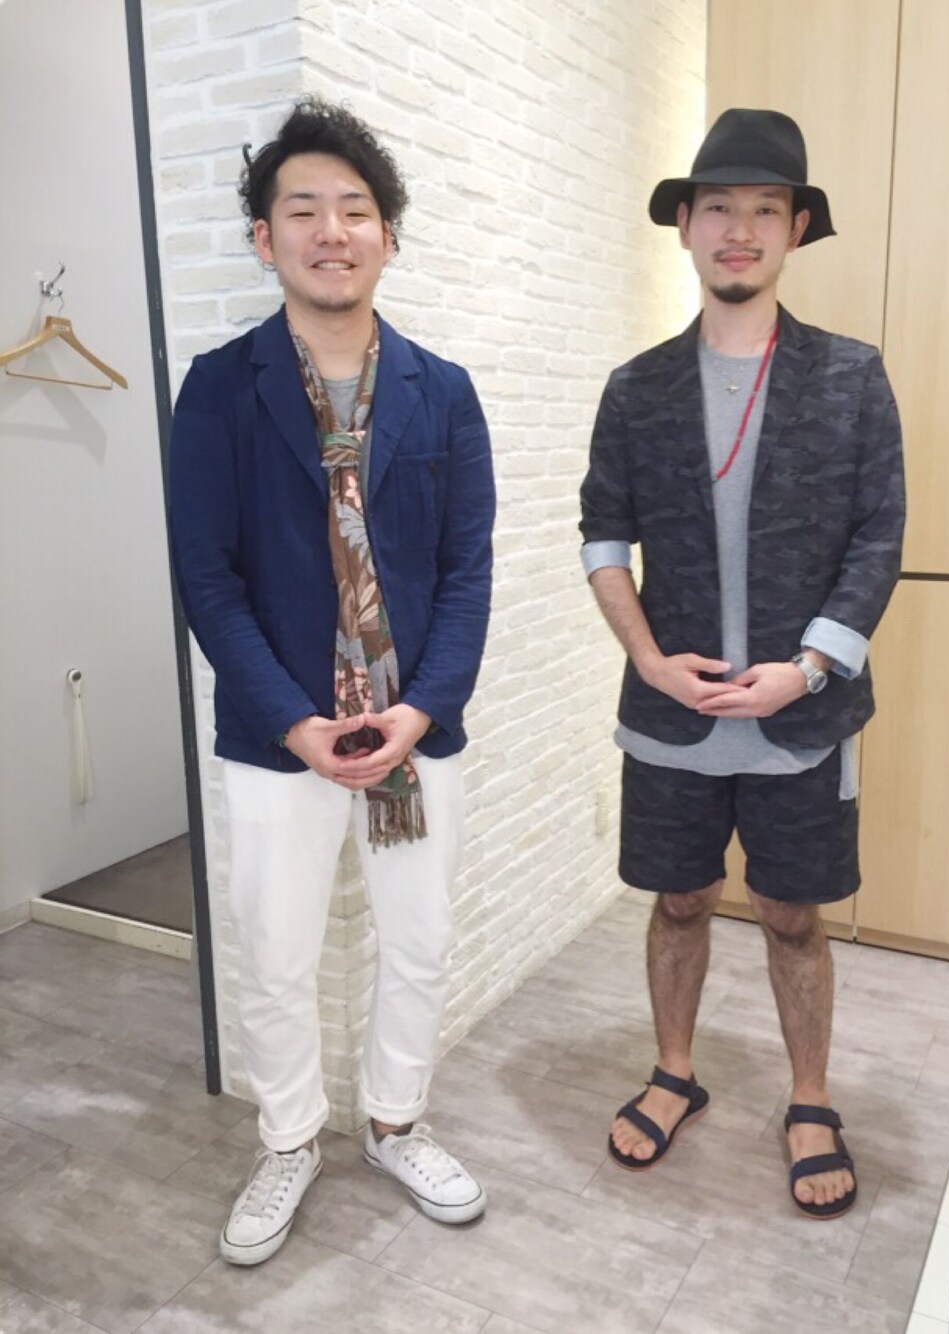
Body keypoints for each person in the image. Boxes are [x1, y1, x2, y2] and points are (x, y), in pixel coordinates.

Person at [169, 97, 495, 1264]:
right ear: (265, 238)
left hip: (414, 729)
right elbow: (209, 578)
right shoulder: (220, 388)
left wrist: (420, 707)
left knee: (418, 940)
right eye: (301, 209)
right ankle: (289, 1136)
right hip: (279, 735)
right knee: (276, 951)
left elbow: (466, 571)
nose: (330, 230)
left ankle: (395, 1120)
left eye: (354, 209)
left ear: (387, 236)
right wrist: (295, 721)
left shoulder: (442, 391)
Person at [579, 108, 904, 1219]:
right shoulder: (636, 387)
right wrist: (648, 659)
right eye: (718, 206)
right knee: (679, 901)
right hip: (670, 712)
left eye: (766, 209)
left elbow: (878, 538)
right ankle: (675, 1071)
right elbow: (601, 536)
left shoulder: (852, 377)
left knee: (793, 913)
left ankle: (810, 1097)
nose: (740, 229)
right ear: (685, 224)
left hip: (801, 714)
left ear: (795, 229)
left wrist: (807, 668)